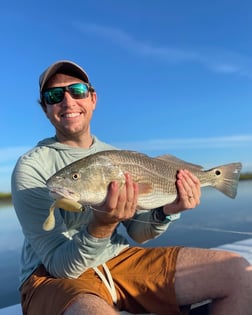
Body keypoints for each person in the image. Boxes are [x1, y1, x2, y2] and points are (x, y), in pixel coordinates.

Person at [11, 60, 252, 315]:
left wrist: (166, 210)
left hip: (117, 259)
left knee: (236, 272)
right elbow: (61, 267)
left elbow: (137, 233)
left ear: (93, 98)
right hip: (51, 276)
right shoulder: (32, 167)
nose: (68, 101)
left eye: (78, 91)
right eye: (55, 95)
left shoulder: (115, 156)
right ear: (45, 108)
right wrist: (101, 225)